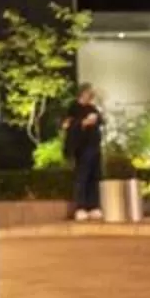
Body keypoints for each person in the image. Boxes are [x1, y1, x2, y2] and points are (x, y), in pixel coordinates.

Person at [65, 84, 106, 222]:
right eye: (89, 92)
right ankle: (80, 207)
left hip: (94, 146)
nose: (92, 95)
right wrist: (83, 123)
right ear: (82, 93)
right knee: (82, 177)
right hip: (81, 148)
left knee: (95, 176)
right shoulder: (73, 108)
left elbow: (101, 120)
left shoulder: (92, 108)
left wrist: (97, 119)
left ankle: (93, 206)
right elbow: (68, 125)